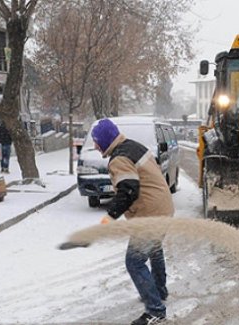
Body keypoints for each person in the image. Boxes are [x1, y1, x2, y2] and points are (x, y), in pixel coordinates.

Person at [92, 118, 174, 325]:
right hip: (163, 207)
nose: (94, 146)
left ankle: (155, 310)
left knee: (134, 262)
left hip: (150, 214)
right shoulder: (134, 146)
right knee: (155, 249)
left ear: (104, 140)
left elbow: (128, 190)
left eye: (96, 141)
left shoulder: (119, 159)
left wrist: (110, 216)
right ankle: (159, 290)